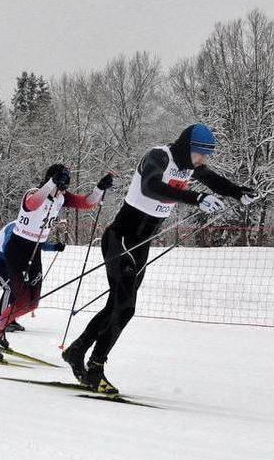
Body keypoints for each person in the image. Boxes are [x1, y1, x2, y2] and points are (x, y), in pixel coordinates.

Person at [63, 124, 254, 393]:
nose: (203, 160)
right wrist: (197, 197)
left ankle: (76, 350)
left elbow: (214, 180)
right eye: (201, 153)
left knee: (116, 305)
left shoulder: (191, 167)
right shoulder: (159, 156)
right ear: (188, 147)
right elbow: (151, 186)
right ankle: (95, 367)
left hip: (141, 245)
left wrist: (238, 192)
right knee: (126, 307)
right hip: (120, 239)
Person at [0, 164, 110, 360]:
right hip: (17, 250)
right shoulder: (33, 193)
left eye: (66, 182)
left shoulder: (61, 197)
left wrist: (100, 188)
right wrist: (51, 183)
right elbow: (33, 204)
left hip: (35, 251)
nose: (64, 187)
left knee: (32, 304)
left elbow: (87, 203)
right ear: (52, 179)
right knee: (21, 298)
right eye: (62, 181)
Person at [0, 220, 64, 341]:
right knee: (9, 287)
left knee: (19, 289)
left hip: (9, 261)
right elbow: (8, 246)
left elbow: (39, 244)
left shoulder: (35, 229)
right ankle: (0, 319)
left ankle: (9, 318)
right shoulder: (17, 227)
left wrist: (55, 247)